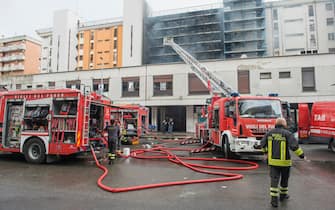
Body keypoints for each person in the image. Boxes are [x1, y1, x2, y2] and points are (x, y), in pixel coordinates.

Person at [254, 118, 305, 208]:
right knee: (284, 180)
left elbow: (262, 145)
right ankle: (283, 196)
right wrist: (302, 155)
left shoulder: (269, 133)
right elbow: (294, 147)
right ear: (284, 124)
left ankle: (274, 201)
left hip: (273, 163)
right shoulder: (287, 134)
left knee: (274, 181)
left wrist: (266, 152)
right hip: (285, 163)